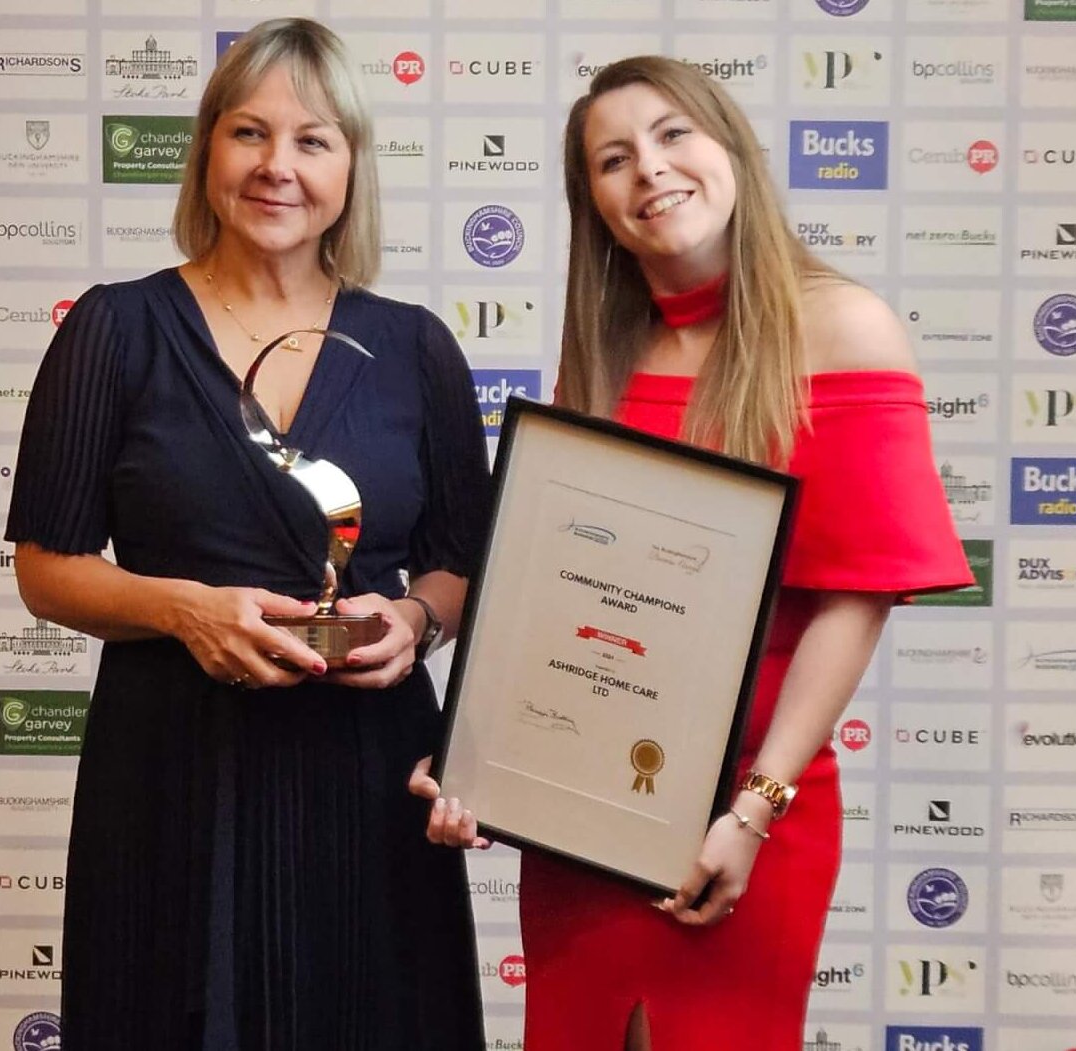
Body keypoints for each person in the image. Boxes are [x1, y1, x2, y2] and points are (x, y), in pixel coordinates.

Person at [414, 56, 972, 1050]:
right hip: (586, 817)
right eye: (613, 158)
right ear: (592, 201)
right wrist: (488, 771)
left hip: (755, 806)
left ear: (731, 152)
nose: (650, 172)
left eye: (673, 136)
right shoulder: (602, 355)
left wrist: (751, 810)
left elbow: (856, 599)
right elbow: (560, 600)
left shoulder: (842, 327)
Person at [6, 19, 488, 1051]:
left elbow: (462, 560)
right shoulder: (113, 327)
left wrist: (412, 618)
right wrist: (181, 608)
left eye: (312, 140)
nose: (277, 167)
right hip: (170, 772)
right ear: (206, 153)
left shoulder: (416, 348)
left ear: (350, 168)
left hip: (369, 778)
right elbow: (46, 569)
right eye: (247, 133)